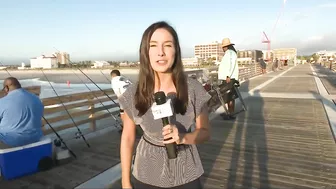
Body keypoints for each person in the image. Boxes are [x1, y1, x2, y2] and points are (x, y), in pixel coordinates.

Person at [119, 21, 211, 189]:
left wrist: (183, 138)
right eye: (153, 45)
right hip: (146, 171)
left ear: (176, 50)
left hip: (186, 170)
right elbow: (127, 138)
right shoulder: (133, 93)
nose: (160, 52)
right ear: (145, 52)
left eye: (167, 45)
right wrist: (125, 182)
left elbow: (204, 132)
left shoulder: (193, 89)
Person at [0, 77, 44, 149]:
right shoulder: (36, 99)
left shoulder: (2, 102)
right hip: (35, 138)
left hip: (11, 141)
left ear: (6, 88)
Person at [217, 38, 239, 120]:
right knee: (230, 96)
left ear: (226, 46)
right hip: (228, 78)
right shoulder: (229, 53)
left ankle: (230, 113)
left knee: (229, 96)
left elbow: (231, 64)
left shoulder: (230, 53)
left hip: (229, 79)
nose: (222, 48)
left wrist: (228, 76)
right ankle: (230, 113)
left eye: (223, 47)